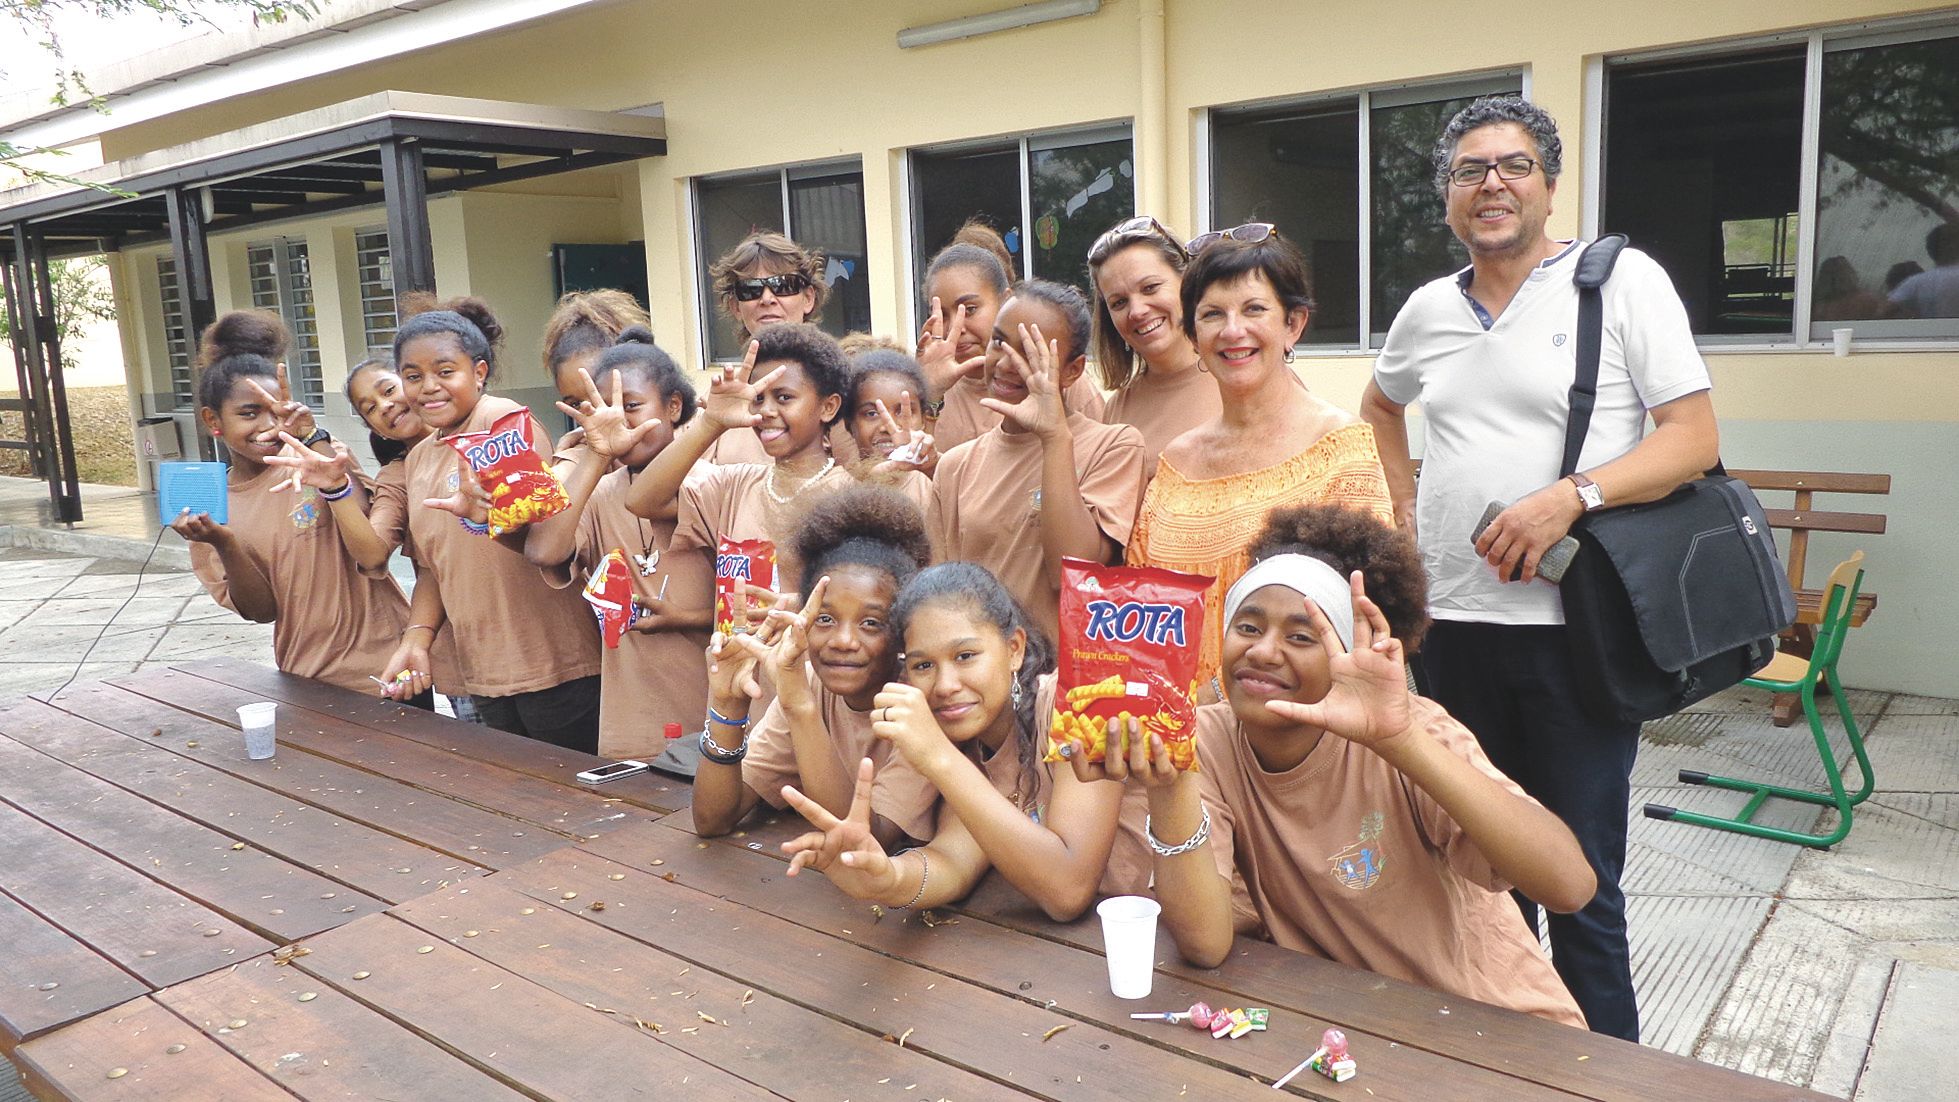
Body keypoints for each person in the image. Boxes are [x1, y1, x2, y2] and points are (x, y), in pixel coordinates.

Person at [1360, 95, 1719, 1040]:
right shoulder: (1427, 311)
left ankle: (1608, 1075)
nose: (1491, 185)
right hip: (1452, 632)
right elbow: (1378, 408)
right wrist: (1404, 514)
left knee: (1581, 890)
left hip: (1577, 640)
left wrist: (1573, 494)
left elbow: (1692, 440)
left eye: (1512, 165)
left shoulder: (1618, 283)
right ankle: (1505, 1070)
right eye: (1470, 170)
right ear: (1447, 197)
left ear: (1549, 186)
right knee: (1478, 879)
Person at [1136, 504, 1592, 1027]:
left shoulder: (1410, 730)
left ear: (1348, 653)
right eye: (1247, 626)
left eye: (1301, 637)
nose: (1263, 651)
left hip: (1492, 1026)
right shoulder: (1207, 739)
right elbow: (1205, 943)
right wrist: (1168, 788)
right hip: (1348, 1032)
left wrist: (1401, 742)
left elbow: (1570, 886)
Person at [775, 562, 1155, 919]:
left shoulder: (1073, 704)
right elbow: (953, 862)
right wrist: (889, 879)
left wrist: (938, 757)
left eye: (966, 655)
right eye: (923, 666)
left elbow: (1068, 891)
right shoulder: (962, 738)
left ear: (1014, 650)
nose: (945, 685)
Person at [1126, 226, 1392, 698]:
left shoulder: (1339, 447)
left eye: (1254, 310)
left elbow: (1363, 612)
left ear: (1293, 324)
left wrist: (1217, 693)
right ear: (1193, 334)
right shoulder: (1175, 461)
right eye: (1212, 315)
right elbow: (1142, 606)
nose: (1233, 331)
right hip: (1176, 732)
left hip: (1295, 729)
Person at [380, 295, 605, 751]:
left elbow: (531, 521)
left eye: (446, 372)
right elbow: (431, 567)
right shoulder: (420, 457)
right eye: (413, 376)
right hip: (484, 672)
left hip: (552, 664)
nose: (428, 387)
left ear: (479, 373)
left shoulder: (500, 419)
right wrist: (417, 639)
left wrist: (488, 512)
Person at [171, 311, 428, 703]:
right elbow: (260, 610)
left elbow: (371, 538)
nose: (268, 426)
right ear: (213, 420)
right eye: (248, 413)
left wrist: (314, 440)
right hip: (306, 678)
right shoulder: (211, 505)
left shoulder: (321, 455)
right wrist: (223, 542)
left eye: (275, 410)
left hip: (389, 665)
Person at [692, 485, 941, 846]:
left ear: (903, 629)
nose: (843, 641)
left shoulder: (922, 702)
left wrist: (800, 708)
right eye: (824, 619)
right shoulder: (809, 685)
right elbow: (712, 819)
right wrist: (727, 704)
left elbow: (865, 840)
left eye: (871, 623)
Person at [523, 328, 713, 759]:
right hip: (631, 721)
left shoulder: (713, 483)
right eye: (605, 410)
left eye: (631, 407)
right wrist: (596, 452)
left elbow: (746, 606)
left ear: (673, 407)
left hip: (708, 708)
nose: (619, 421)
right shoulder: (600, 490)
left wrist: (684, 617)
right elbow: (545, 551)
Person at [930, 279, 1145, 643]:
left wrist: (1054, 437)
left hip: (1062, 686)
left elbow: (1071, 573)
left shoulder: (1114, 445)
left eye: (1032, 353)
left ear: (1073, 370)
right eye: (1000, 341)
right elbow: (940, 597)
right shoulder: (955, 466)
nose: (1007, 363)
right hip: (979, 682)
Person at [264, 356, 466, 712]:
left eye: (389, 390)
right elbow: (372, 554)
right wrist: (335, 487)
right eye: (370, 408)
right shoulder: (397, 477)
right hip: (461, 653)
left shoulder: (484, 436)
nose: (386, 406)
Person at [625, 322, 856, 599]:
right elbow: (641, 500)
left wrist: (796, 606)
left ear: (828, 407)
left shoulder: (850, 497)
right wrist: (711, 423)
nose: (767, 410)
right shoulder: (734, 486)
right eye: (758, 398)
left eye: (784, 398)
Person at [917, 221, 1105, 452]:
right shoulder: (928, 391)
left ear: (1005, 301)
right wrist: (930, 395)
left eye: (971, 309)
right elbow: (915, 477)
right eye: (941, 315)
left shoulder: (1056, 378)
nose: (955, 327)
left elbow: (1101, 455)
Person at [1087, 215, 1222, 484]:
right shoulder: (1117, 410)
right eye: (1119, 302)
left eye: (1150, 288)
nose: (1137, 311)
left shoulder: (1242, 376)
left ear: (1187, 281)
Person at [703, 233, 828, 465]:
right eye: (751, 289)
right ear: (735, 307)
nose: (767, 298)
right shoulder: (718, 401)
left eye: (783, 286)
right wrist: (708, 425)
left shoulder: (839, 384)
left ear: (808, 298)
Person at [540, 289, 652, 463]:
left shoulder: (687, 433)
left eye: (599, 395)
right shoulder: (581, 452)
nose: (590, 411)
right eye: (576, 404)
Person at [839, 347, 937, 508]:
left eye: (903, 412)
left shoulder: (936, 486)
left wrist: (934, 469)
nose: (888, 427)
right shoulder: (836, 491)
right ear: (849, 425)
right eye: (871, 414)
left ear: (923, 419)